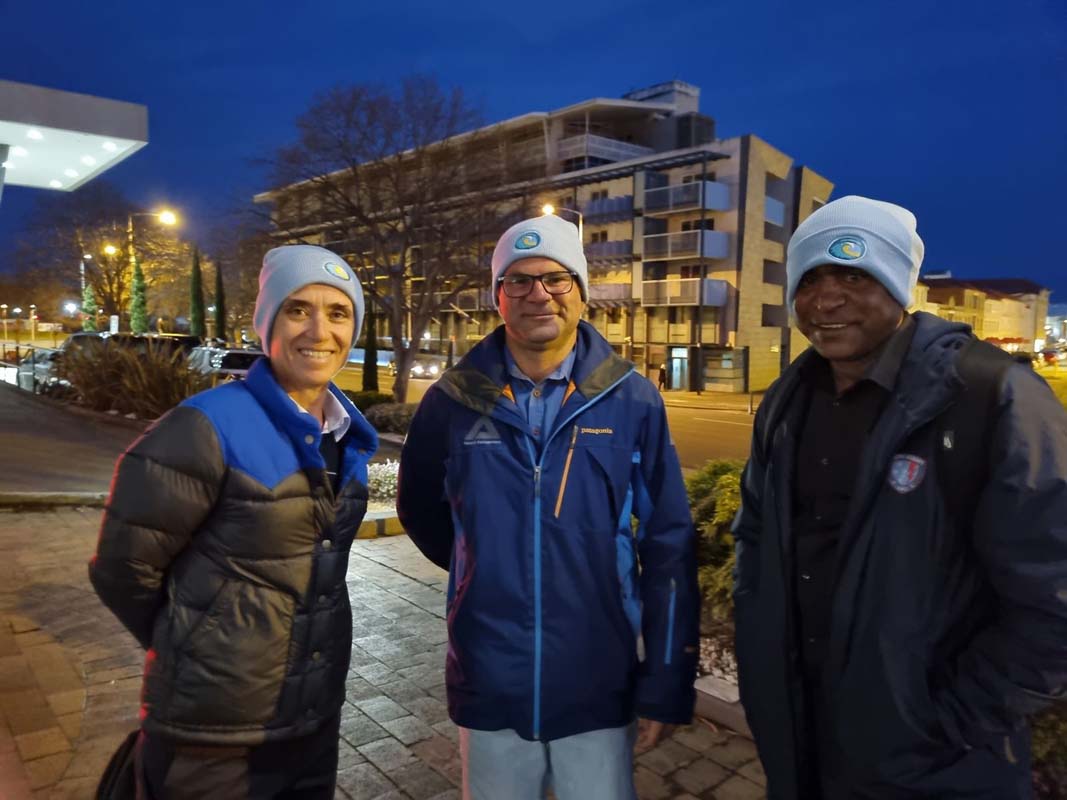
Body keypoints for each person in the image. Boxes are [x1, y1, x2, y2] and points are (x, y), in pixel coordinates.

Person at [732, 195, 1067, 799]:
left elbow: (1054, 597)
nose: (826, 299)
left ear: (899, 286)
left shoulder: (993, 396)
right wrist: (759, 654)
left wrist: (953, 719)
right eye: (810, 279)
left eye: (854, 276)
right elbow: (754, 534)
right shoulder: (786, 400)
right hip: (801, 727)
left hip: (940, 761)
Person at [397, 214, 698, 800]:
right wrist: (477, 574)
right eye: (519, 280)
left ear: (582, 293)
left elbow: (669, 539)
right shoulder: (455, 399)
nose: (539, 294)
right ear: (499, 298)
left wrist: (665, 677)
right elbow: (419, 506)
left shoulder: (630, 397)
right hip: (491, 675)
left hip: (598, 675)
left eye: (557, 279)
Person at [89, 245, 378, 799]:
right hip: (213, 735)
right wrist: (199, 641)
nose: (319, 329)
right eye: (298, 309)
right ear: (266, 322)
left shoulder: (348, 436)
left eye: (338, 313)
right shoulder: (205, 427)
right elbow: (122, 569)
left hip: (311, 720)